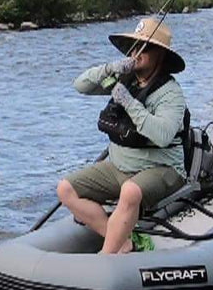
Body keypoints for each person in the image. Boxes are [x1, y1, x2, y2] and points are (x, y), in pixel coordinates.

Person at [56, 16, 188, 254]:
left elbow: (163, 135)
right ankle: (121, 239)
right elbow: (80, 85)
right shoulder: (124, 77)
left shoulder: (171, 93)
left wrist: (128, 102)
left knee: (130, 190)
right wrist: (112, 69)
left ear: (160, 54)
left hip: (162, 168)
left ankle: (105, 258)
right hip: (119, 165)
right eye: (134, 46)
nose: (136, 52)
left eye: (144, 48)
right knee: (66, 189)